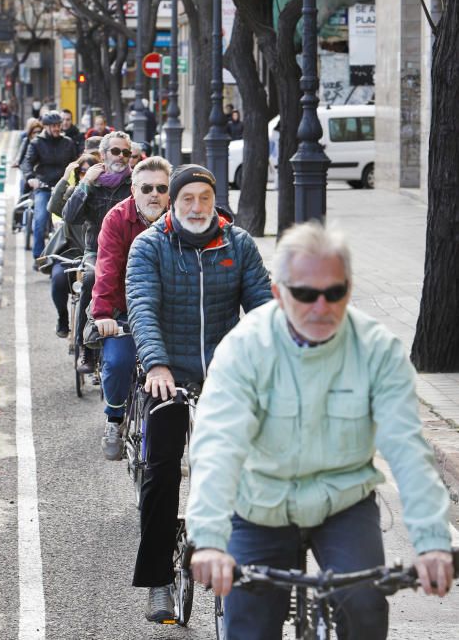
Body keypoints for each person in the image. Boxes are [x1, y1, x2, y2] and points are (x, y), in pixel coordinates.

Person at [186, 221, 454, 640]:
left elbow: (407, 449)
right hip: (259, 503)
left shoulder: (378, 348)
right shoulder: (244, 349)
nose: (321, 306)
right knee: (248, 626)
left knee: (366, 609)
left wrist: (433, 542)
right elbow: (218, 448)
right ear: (278, 293)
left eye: (335, 292)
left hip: (343, 502)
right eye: (306, 294)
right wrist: (208, 540)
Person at [125, 163, 272, 623]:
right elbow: (142, 306)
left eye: (204, 199)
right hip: (167, 374)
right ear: (172, 201)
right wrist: (157, 363)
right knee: (163, 469)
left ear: (214, 202)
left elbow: (263, 305)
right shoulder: (149, 245)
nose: (196, 206)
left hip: (225, 378)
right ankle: (159, 582)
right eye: (186, 198)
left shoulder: (238, 244)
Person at [92, 157, 171, 460]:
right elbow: (107, 268)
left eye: (162, 188)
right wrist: (103, 315)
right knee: (117, 361)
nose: (154, 194)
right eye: (147, 187)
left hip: (167, 312)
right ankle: (114, 419)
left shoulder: (181, 219)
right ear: (134, 189)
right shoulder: (116, 219)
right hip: (123, 311)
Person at [62, 131, 133, 373]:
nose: (121, 157)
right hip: (96, 251)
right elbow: (69, 217)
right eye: (115, 151)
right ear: (103, 155)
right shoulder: (92, 183)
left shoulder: (136, 184)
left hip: (131, 250)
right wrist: (85, 184)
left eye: (126, 152)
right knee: (92, 279)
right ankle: (86, 349)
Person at [43, 154, 98, 336]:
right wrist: (66, 176)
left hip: (97, 256)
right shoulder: (72, 194)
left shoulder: (105, 197)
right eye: (82, 172)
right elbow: (53, 206)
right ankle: (62, 317)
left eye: (89, 171)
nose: (86, 175)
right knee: (58, 280)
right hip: (71, 254)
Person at [21, 110, 77, 267]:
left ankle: (71, 254)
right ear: (45, 127)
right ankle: (39, 258)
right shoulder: (36, 143)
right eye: (53, 126)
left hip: (65, 189)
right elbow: (27, 163)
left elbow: (76, 163)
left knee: (73, 220)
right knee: (39, 220)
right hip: (44, 187)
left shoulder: (68, 142)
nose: (57, 128)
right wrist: (30, 178)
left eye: (58, 125)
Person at [12, 118, 44, 194]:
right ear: (30, 134)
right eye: (34, 132)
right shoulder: (26, 141)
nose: (37, 134)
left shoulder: (45, 144)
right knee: (23, 184)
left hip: (42, 177)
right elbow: (21, 156)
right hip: (29, 174)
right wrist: (17, 162)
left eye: (39, 132)